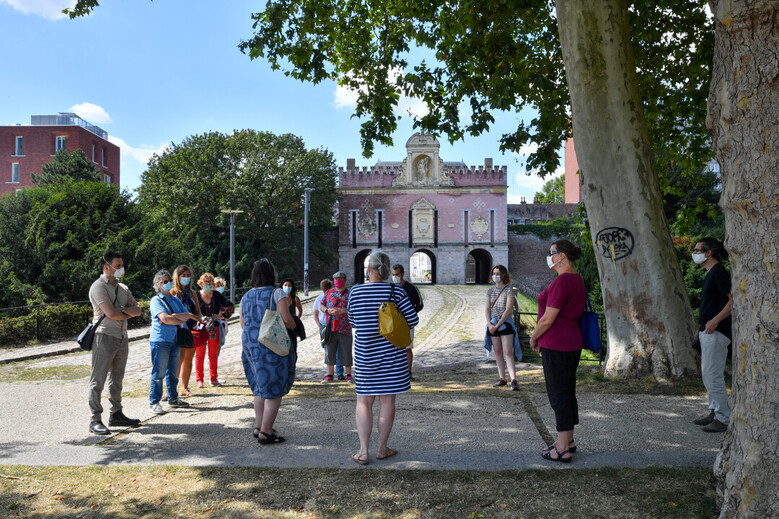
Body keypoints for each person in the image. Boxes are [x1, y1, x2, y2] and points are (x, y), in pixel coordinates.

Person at [348, 250, 419, 464]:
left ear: (368, 269)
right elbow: (413, 320)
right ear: (388, 271)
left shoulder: (355, 292)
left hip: (365, 356)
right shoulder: (396, 291)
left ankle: (362, 450)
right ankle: (382, 448)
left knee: (364, 401)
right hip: (392, 356)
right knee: (387, 400)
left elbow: (352, 321)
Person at [530, 240, 586, 463]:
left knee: (558, 394)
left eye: (551, 253)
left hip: (557, 343)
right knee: (567, 391)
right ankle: (568, 439)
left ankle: (562, 447)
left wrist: (534, 336)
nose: (549, 256)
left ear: (561, 256)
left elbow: (547, 319)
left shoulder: (562, 281)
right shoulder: (576, 278)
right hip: (572, 342)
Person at [240, 258, 296, 444]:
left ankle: (259, 426)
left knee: (258, 387)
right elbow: (285, 318)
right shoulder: (276, 292)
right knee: (273, 388)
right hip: (270, 344)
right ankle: (266, 432)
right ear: (272, 273)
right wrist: (295, 326)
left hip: (250, 343)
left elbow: (242, 323)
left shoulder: (245, 296)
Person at [86, 252, 142, 435]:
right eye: (117, 266)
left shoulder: (123, 288)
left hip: (122, 336)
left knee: (117, 378)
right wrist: (126, 311)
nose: (121, 269)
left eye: (121, 265)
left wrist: (123, 310)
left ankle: (116, 413)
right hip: (104, 336)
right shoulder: (98, 287)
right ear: (106, 268)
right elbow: (111, 314)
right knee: (98, 379)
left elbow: (138, 310)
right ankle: (95, 419)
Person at [691, 237, 732, 433]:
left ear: (709, 253)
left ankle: (723, 418)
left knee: (713, 375)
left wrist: (715, 320)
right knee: (708, 375)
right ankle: (714, 412)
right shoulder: (712, 273)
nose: (694, 253)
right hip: (708, 331)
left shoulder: (719, 272)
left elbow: (733, 301)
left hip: (717, 332)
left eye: (698, 250)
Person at [148, 270, 198, 414]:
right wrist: (175, 318)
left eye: (169, 280)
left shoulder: (175, 300)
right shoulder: (156, 300)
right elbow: (164, 318)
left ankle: (173, 398)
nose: (168, 282)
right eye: (165, 281)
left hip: (175, 340)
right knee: (159, 373)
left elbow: (187, 316)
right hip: (160, 341)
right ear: (158, 284)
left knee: (172, 372)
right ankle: (154, 402)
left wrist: (173, 317)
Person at [485, 265, 521, 390]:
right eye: (494, 273)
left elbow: (508, 310)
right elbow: (487, 309)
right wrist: (490, 324)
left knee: (508, 352)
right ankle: (502, 378)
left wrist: (498, 324)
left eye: (498, 273)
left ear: (504, 275)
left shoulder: (509, 290)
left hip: (505, 324)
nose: (495, 276)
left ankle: (513, 379)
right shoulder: (490, 290)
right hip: (493, 324)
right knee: (498, 352)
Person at [194, 272, 233, 388]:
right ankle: (199, 380)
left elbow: (230, 306)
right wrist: (197, 318)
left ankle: (213, 378)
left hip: (214, 327)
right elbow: (190, 309)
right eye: (207, 281)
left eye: (211, 281)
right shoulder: (196, 295)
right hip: (200, 328)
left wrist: (223, 316)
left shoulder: (216, 295)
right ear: (201, 283)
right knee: (199, 355)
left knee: (213, 354)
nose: (209, 284)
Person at [171, 265, 202, 397]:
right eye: (183, 275)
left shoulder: (192, 293)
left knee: (188, 359)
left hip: (191, 329)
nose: (186, 278)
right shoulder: (172, 292)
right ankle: (172, 389)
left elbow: (197, 311)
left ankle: (184, 387)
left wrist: (198, 320)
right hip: (177, 329)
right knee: (177, 359)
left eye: (188, 275)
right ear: (177, 277)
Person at [391, 264, 424, 380]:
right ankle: (394, 373)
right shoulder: (390, 288)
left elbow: (420, 304)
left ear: (402, 274)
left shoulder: (411, 288)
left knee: (407, 348)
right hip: (392, 324)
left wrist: (409, 314)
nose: (395, 277)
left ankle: (408, 372)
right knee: (392, 347)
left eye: (397, 275)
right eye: (393, 275)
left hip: (407, 323)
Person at [320, 271, 353, 382]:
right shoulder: (329, 292)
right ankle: (329, 374)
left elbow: (353, 308)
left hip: (345, 328)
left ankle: (348, 374)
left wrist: (342, 311)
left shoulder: (350, 294)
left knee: (346, 351)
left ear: (344, 280)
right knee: (330, 351)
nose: (338, 281)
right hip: (331, 327)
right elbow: (322, 305)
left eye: (340, 279)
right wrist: (327, 310)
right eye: (336, 279)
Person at [313, 279, 344, 379]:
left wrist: (319, 325)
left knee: (327, 350)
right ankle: (340, 373)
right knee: (338, 350)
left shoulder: (319, 298)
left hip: (324, 326)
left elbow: (315, 314)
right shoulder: (328, 298)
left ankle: (330, 373)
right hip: (332, 325)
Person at [213, 277, 234, 353]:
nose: (220, 287)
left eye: (221, 285)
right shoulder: (212, 297)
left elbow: (230, 308)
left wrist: (224, 316)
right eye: (217, 285)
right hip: (214, 326)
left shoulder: (222, 298)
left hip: (222, 326)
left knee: (217, 348)